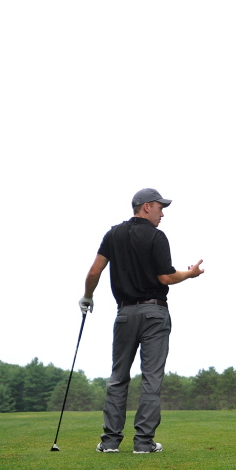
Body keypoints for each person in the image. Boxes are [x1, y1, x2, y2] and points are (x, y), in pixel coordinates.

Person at [79, 188, 204, 454]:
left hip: (124, 314)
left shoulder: (113, 234)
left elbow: (94, 271)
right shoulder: (157, 237)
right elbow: (166, 277)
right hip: (155, 314)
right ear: (146, 207)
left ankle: (110, 442)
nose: (162, 214)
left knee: (118, 377)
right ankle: (144, 444)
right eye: (160, 208)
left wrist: (87, 297)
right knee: (151, 379)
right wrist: (190, 274)